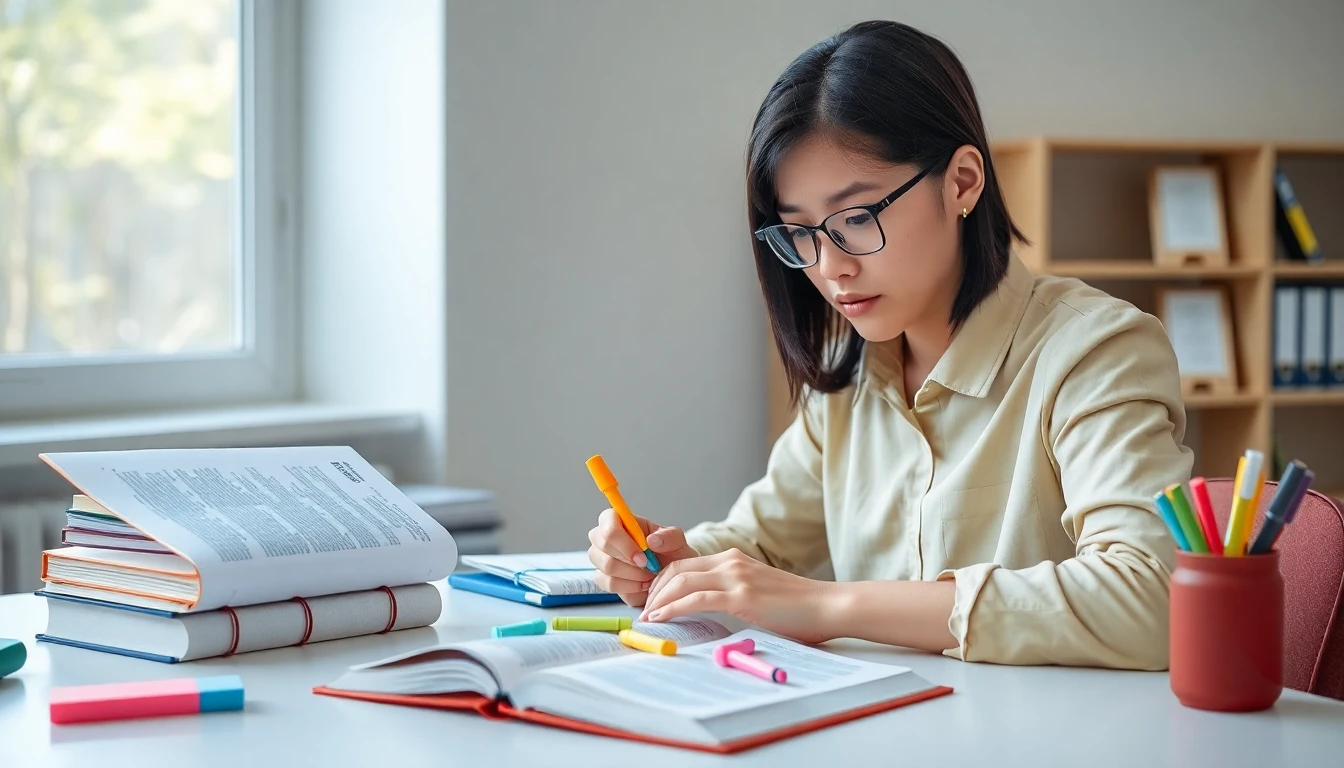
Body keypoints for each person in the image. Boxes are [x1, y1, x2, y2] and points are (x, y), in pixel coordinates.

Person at [586, 20, 1192, 669]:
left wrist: (830, 605)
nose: (831, 268)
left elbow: (1152, 598)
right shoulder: (848, 380)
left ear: (961, 182)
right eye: (800, 233)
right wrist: (673, 561)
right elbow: (760, 544)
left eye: (856, 218)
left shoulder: (1096, 351)